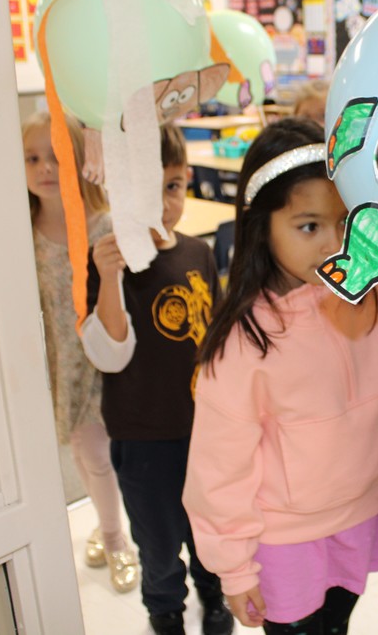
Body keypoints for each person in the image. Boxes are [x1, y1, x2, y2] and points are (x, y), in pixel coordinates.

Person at [183, 117, 378, 635]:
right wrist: (236, 568)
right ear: (262, 227)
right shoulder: (244, 343)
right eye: (308, 226)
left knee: (337, 626)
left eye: (346, 220)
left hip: (364, 510)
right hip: (286, 541)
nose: (334, 242)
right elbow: (217, 474)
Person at [81, 125, 233, 635]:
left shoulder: (198, 252)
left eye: (172, 186)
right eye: (148, 189)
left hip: (203, 432)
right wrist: (107, 278)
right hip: (143, 437)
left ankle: (215, 598)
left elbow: (212, 339)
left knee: (207, 531)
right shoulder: (110, 259)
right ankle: (165, 612)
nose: (165, 203)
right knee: (160, 542)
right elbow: (109, 353)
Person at [21, 111, 139, 593]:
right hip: (50, 362)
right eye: (32, 158)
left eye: (57, 157)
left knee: (94, 454)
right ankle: (104, 525)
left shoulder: (101, 225)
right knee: (78, 451)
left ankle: (116, 540)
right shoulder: (19, 231)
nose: (45, 168)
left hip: (94, 362)